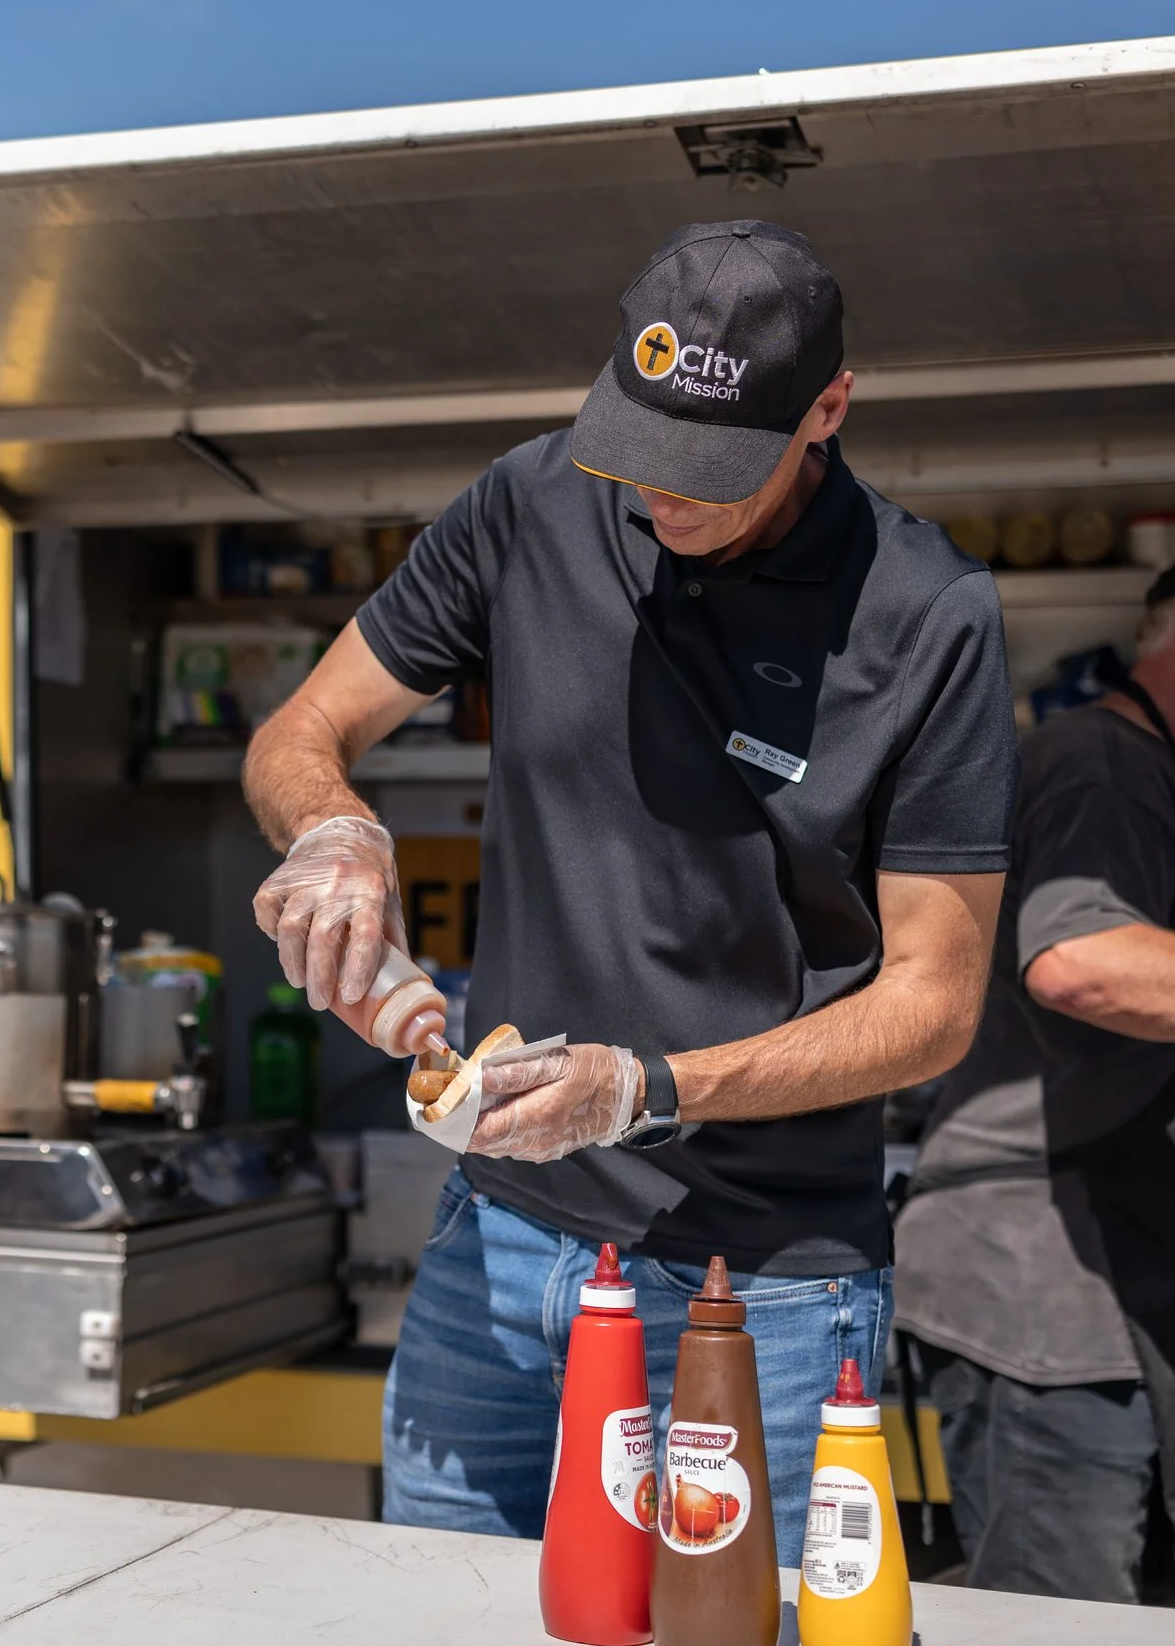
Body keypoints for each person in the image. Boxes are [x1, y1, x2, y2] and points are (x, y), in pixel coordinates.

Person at [243, 220, 1016, 1563]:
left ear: (828, 408)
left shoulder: (928, 614)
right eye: (637, 447)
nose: (662, 497)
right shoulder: (533, 501)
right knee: (431, 1611)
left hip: (753, 1291)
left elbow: (936, 1007)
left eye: (706, 469)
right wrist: (332, 836)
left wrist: (647, 1089)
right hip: (496, 1241)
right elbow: (298, 737)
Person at [896, 527, 1175, 1610]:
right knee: (1062, 1627)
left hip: (1146, 1299)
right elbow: (1078, 961)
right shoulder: (1094, 762)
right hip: (1044, 1310)